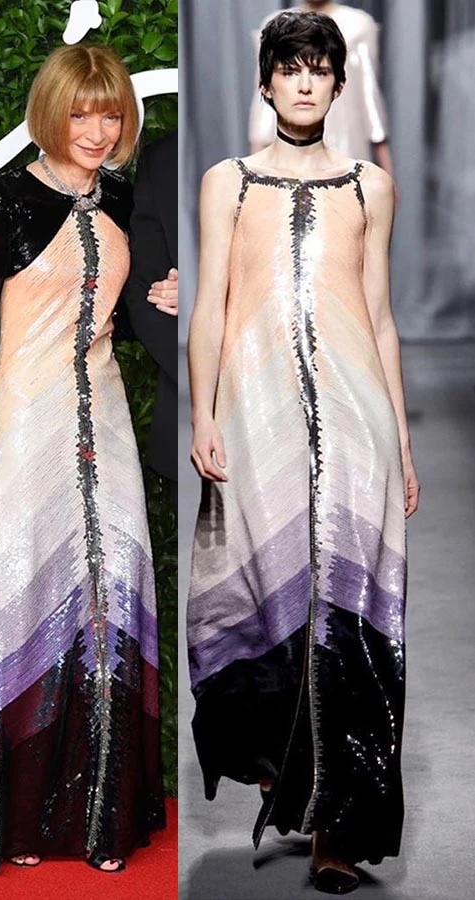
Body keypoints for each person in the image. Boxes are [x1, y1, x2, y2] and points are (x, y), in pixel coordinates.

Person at [187, 11, 419, 895]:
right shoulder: (227, 183)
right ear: (266, 82)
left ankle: (337, 829)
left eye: (319, 68)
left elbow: (382, 318)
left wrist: (400, 443)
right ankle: (280, 763)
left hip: (356, 417)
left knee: (350, 613)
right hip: (257, 417)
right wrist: (204, 413)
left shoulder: (368, 188)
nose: (305, 82)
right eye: (290, 68)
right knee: (263, 594)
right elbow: (211, 305)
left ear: (337, 84)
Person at [0, 44, 165, 873]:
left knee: (111, 591)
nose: (97, 131)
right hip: (29, 414)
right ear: (51, 113)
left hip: (105, 414)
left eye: (111, 115)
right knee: (30, 593)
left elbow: (128, 320)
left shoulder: (127, 200)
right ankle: (23, 820)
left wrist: (165, 298)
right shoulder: (6, 198)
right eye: (80, 113)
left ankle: (101, 815)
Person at [249, 1, 394, 180]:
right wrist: (252, 169)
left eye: (319, 72)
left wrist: (387, 172)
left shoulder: (358, 24)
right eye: (289, 72)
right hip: (286, 147)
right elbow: (262, 104)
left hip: (348, 139)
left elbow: (369, 95)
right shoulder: (277, 26)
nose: (305, 85)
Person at [126, 130, 178, 510]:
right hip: (190, 416)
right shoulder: (161, 159)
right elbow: (146, 292)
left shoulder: (314, 152)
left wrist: (203, 293)